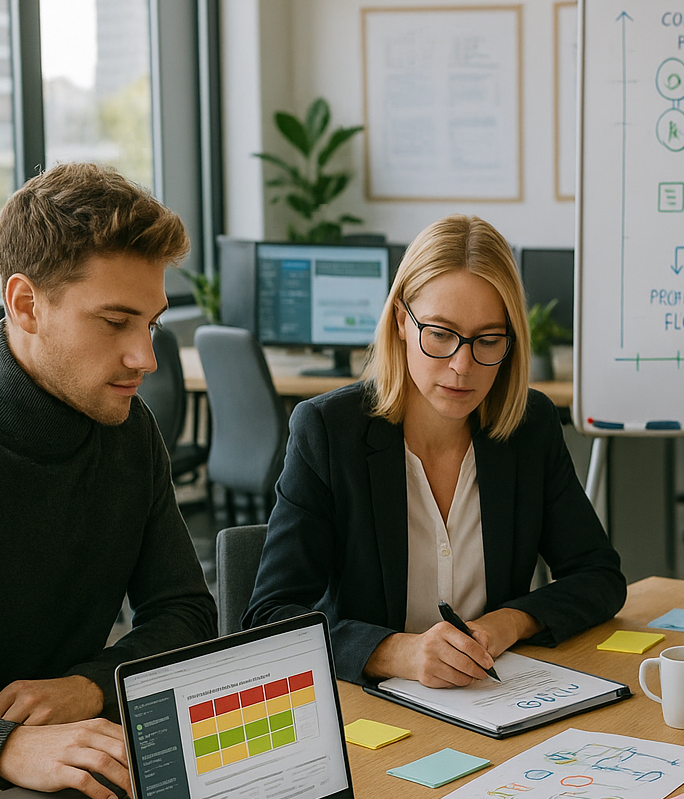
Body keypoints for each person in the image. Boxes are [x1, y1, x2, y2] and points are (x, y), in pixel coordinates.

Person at [245, 214, 626, 686]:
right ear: (402, 321)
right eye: (441, 335)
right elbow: (268, 617)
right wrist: (394, 653)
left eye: (488, 340)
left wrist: (508, 622)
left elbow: (600, 577)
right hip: (371, 709)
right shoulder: (327, 432)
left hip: (493, 699)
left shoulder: (529, 426)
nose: (462, 366)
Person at [0, 163, 218, 799]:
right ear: (25, 305)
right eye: (115, 321)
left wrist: (91, 684)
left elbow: (185, 612)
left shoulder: (128, 431)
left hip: (81, 774)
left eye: (150, 323)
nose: (146, 357)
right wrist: (5, 746)